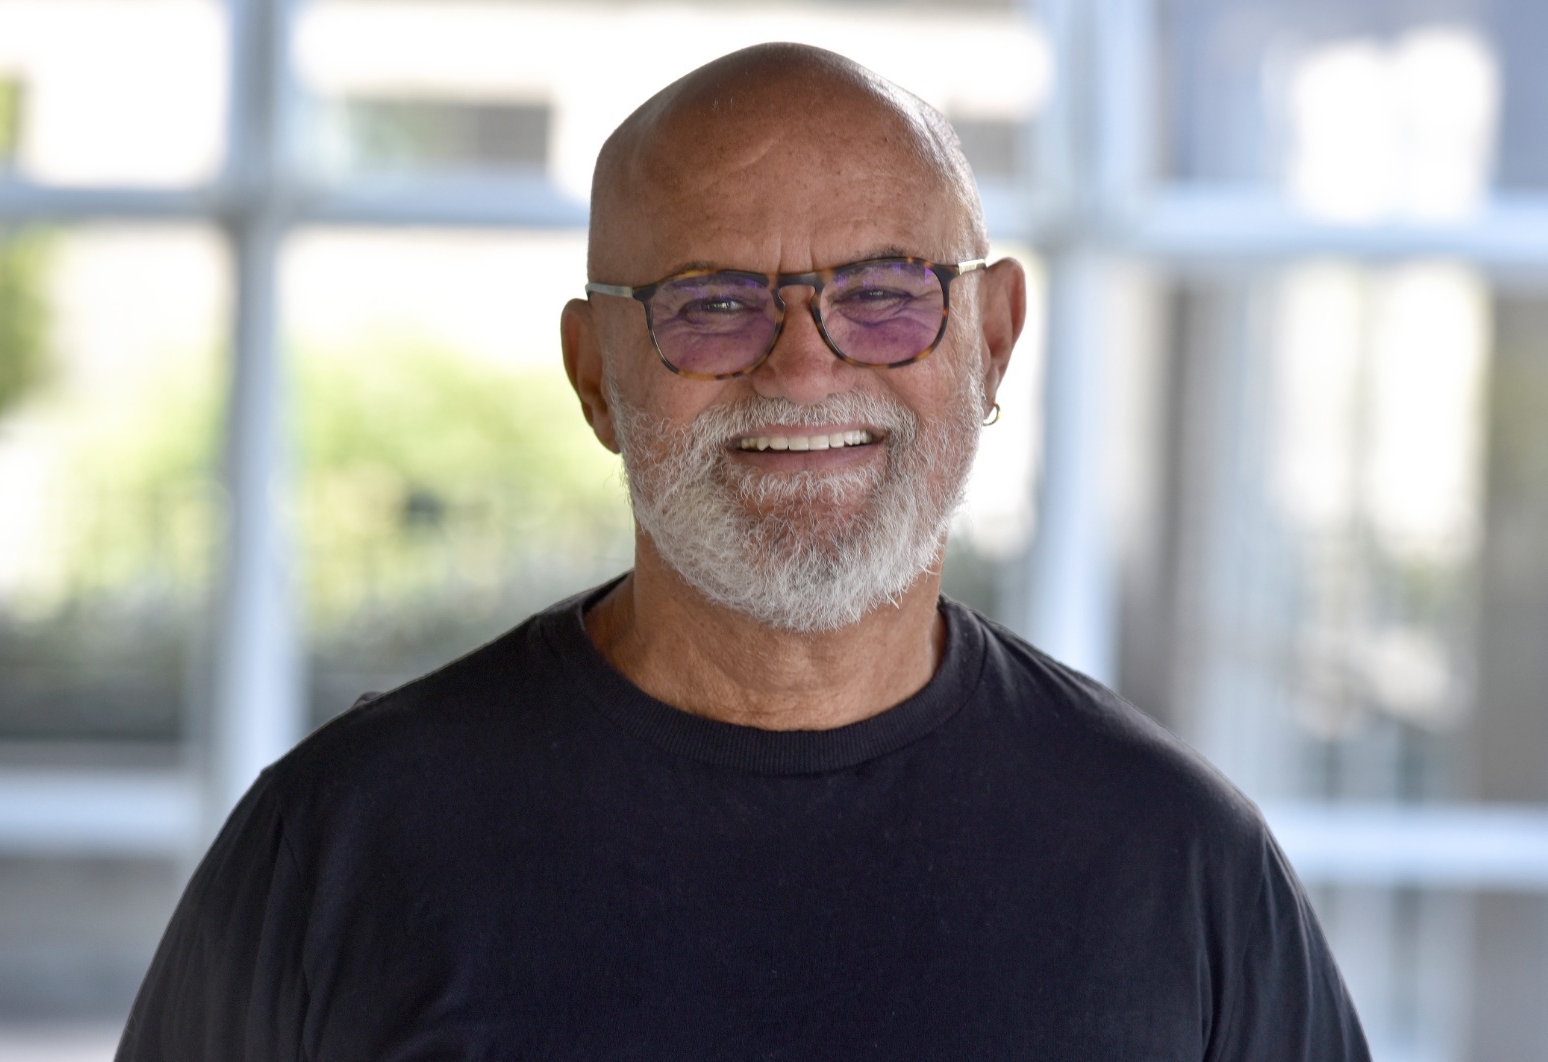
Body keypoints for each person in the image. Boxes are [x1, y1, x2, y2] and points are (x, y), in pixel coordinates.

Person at [117, 43, 1370, 1060]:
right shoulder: (343, 846)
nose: (805, 366)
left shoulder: (1177, 862)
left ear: (991, 340)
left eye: (884, 293)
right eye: (713, 304)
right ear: (595, 376)